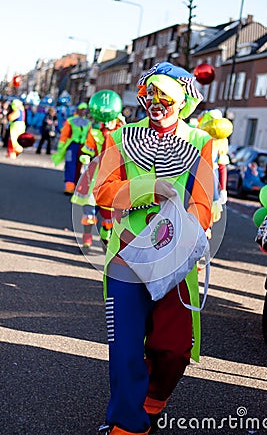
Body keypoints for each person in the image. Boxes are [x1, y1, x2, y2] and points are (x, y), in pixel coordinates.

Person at [93, 62, 214, 435]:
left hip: (174, 259)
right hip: (126, 257)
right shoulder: (119, 138)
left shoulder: (199, 143)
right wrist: (151, 190)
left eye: (165, 97)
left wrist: (180, 232)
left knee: (173, 347)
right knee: (126, 347)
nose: (156, 103)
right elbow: (102, 191)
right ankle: (128, 423)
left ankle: (154, 397)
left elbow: (204, 204)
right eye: (150, 95)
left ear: (183, 102)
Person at [71, 90, 125, 250]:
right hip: (94, 174)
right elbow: (88, 148)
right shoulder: (94, 132)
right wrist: (85, 157)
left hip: (113, 173)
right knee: (89, 207)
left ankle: (105, 235)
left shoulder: (122, 131)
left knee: (109, 210)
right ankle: (87, 239)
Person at [52, 102, 92, 194]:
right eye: (82, 109)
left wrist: (89, 148)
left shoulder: (88, 123)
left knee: (79, 166)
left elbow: (89, 136)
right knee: (70, 165)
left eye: (84, 110)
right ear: (78, 110)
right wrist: (61, 146)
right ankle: (69, 186)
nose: (83, 111)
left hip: (83, 147)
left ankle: (76, 186)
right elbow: (64, 135)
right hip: (72, 146)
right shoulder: (70, 121)